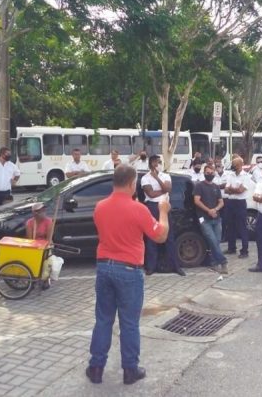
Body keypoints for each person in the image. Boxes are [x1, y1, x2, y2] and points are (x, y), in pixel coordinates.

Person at [87, 165, 170, 385]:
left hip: (104, 267)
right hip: (129, 270)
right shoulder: (138, 209)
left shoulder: (100, 207)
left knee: (103, 319)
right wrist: (163, 212)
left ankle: (96, 367)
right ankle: (130, 370)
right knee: (129, 323)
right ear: (133, 183)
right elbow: (160, 236)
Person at [141, 155, 184, 276]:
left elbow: (168, 189)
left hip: (164, 207)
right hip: (152, 207)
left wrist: (158, 179)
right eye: (156, 162)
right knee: (151, 238)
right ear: (150, 164)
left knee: (169, 238)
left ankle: (176, 266)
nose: (159, 164)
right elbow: (151, 194)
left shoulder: (166, 176)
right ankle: (151, 267)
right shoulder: (145, 178)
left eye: (160, 162)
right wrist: (163, 189)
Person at [193, 164, 227, 274]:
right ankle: (223, 262)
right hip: (204, 219)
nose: (209, 174)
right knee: (212, 239)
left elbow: (221, 202)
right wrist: (208, 210)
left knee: (216, 241)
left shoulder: (216, 187)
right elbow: (197, 201)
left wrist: (215, 210)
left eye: (211, 173)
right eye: (207, 173)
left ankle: (213, 263)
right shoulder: (199, 186)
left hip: (216, 218)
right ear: (204, 173)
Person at [225, 157, 254, 257]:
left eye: (235, 164)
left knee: (242, 227)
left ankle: (244, 251)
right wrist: (235, 189)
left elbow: (241, 191)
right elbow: (226, 190)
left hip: (240, 203)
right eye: (233, 164)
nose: (233, 166)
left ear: (241, 165)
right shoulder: (230, 175)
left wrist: (232, 189)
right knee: (230, 226)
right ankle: (231, 248)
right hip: (230, 202)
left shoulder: (246, 176)